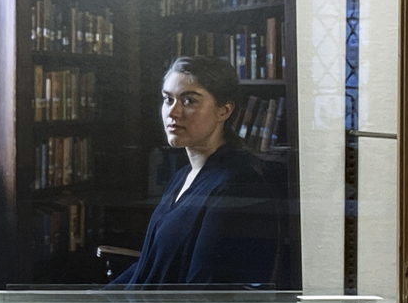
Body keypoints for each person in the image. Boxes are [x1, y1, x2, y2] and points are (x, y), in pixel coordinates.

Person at [109, 57, 288, 288]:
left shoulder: (237, 185)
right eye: (168, 99)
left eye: (189, 101)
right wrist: (98, 300)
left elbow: (204, 289)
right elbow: (150, 264)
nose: (173, 112)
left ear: (223, 111)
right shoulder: (183, 176)